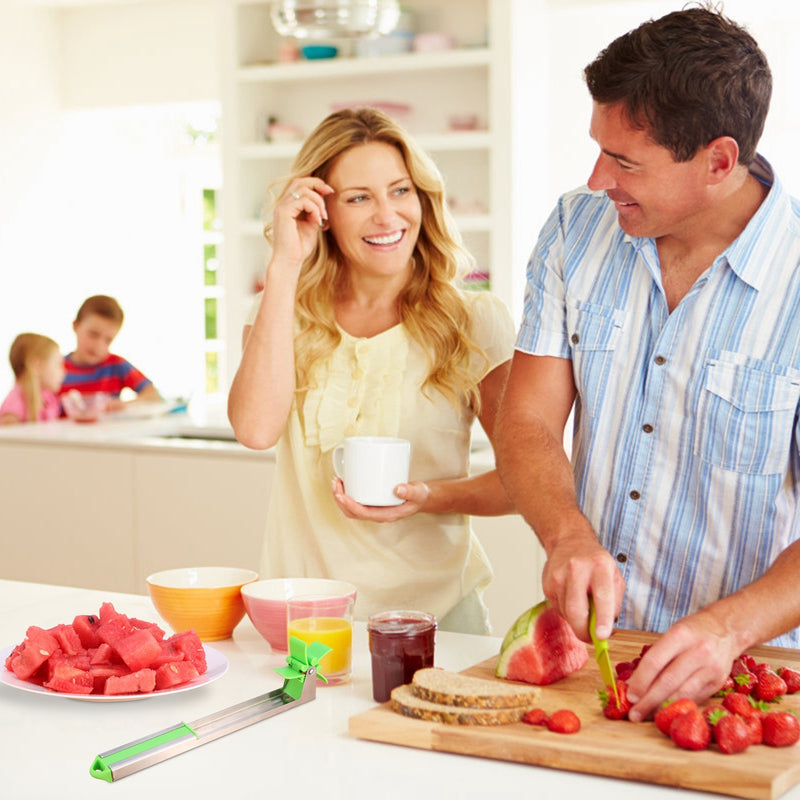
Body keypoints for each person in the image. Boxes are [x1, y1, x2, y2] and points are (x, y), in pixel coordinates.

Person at [495, 5, 800, 721]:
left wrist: (728, 629)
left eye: (626, 161)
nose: (599, 178)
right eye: (600, 149)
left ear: (719, 161)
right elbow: (528, 417)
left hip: (752, 680)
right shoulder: (576, 229)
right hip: (592, 662)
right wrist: (566, 534)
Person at [228, 107, 516, 635]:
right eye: (359, 198)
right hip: (303, 619)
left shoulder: (474, 320)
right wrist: (284, 265)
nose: (388, 217)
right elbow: (253, 429)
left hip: (437, 622)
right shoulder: (280, 313)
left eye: (401, 191)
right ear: (322, 212)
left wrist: (429, 498)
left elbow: (526, 480)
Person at [60, 295, 161, 412]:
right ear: (75, 326)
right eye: (93, 334)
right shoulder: (56, 369)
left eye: (108, 340)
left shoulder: (116, 365)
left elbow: (153, 396)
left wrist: (124, 405)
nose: (98, 346)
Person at [0, 333, 65, 425]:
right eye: (58, 364)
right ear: (36, 366)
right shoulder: (14, 404)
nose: (63, 372)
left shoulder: (50, 398)